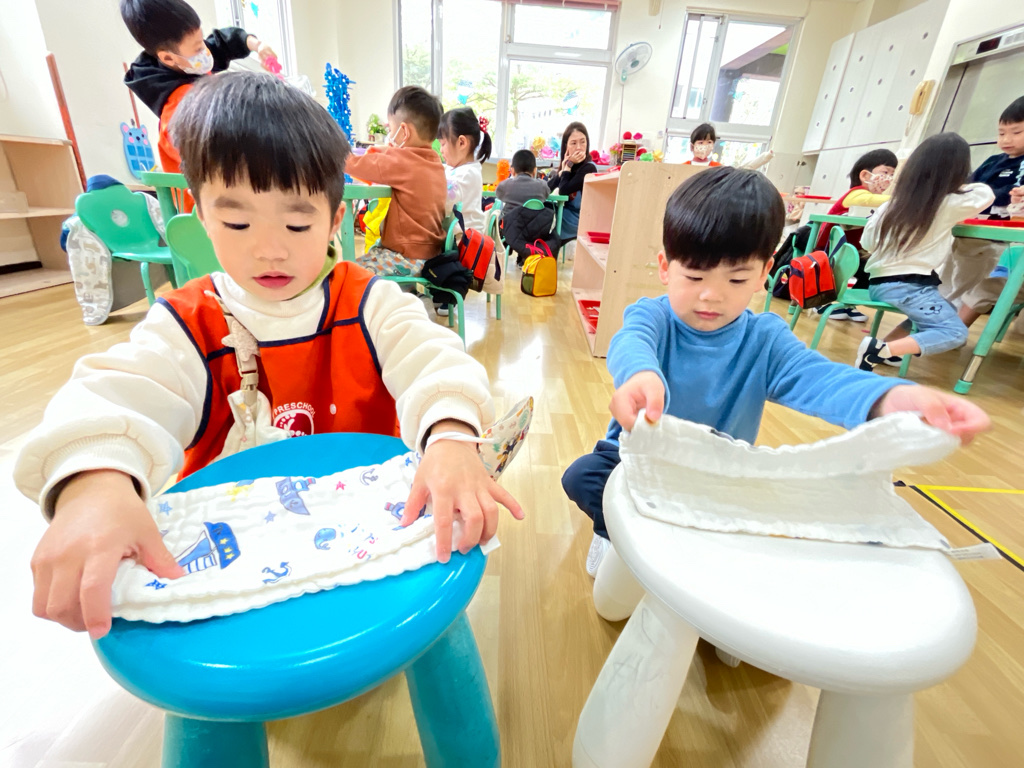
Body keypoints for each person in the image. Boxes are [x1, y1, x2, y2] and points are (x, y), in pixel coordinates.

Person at [15, 72, 522, 640]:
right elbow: (114, 396)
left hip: (362, 532)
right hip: (234, 559)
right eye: (236, 221)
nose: (269, 249)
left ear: (333, 221)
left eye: (297, 223)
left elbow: (434, 358)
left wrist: (450, 435)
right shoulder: (189, 321)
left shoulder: (369, 302)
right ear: (201, 217)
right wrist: (94, 486)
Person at [560, 167, 990, 576]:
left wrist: (891, 398)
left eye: (735, 280)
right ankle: (611, 531)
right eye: (693, 277)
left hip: (716, 467)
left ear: (764, 274)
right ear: (664, 267)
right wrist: (640, 375)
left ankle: (687, 546)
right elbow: (631, 342)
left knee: (766, 516)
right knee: (583, 477)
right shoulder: (653, 316)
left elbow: (819, 378)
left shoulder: (764, 338)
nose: (711, 296)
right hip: (635, 456)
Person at [856, 133, 994, 371]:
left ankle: (885, 347)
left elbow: (867, 242)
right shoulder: (947, 203)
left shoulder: (890, 205)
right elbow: (985, 194)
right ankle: (879, 351)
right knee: (955, 332)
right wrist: (957, 184)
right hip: (909, 286)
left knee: (946, 310)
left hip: (879, 283)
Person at [121, 0, 276, 180]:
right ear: (168, 58)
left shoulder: (188, 63)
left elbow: (223, 43)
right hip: (199, 193)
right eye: (198, 48)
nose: (206, 50)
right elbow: (215, 164)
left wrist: (258, 46)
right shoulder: (179, 113)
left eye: (202, 42)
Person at [941, 96, 1024, 328]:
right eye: (1001, 133)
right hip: (970, 230)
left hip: (998, 238)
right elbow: (967, 187)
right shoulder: (992, 161)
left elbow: (1008, 195)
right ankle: (939, 317)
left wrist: (982, 196)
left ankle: (948, 327)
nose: (1006, 139)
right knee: (948, 272)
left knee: (973, 281)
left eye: (1016, 132)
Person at [346, 86, 447, 278]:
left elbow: (354, 164)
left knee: (347, 275)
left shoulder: (402, 161)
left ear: (404, 132)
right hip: (431, 255)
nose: (390, 137)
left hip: (405, 257)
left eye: (391, 130)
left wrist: (329, 150)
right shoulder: (435, 163)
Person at [813, 148, 899, 322]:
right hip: (831, 250)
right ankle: (820, 303)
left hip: (852, 251)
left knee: (874, 271)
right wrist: (904, 199)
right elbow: (866, 200)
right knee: (849, 270)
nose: (889, 178)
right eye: (885, 172)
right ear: (865, 175)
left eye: (892, 174)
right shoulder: (856, 193)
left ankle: (848, 305)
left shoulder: (878, 202)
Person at [436, 107, 492, 316]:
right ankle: (439, 290)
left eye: (443, 144)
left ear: (461, 143)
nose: (441, 150)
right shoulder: (462, 169)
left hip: (465, 242)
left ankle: (448, 292)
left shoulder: (466, 174)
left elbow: (445, 202)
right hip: (462, 234)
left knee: (427, 239)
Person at [497, 150, 560, 267]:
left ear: (512, 170)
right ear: (535, 170)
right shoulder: (542, 186)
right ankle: (523, 258)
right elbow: (547, 193)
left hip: (511, 231)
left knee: (501, 215)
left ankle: (505, 248)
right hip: (534, 232)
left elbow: (498, 194)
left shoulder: (505, 186)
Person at [548, 122, 597, 244]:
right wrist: (562, 171)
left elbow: (563, 191)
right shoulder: (569, 168)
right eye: (574, 143)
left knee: (543, 216)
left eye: (583, 142)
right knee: (539, 209)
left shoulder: (589, 168)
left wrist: (568, 166)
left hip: (576, 221)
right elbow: (546, 190)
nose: (579, 147)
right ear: (566, 146)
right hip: (565, 216)